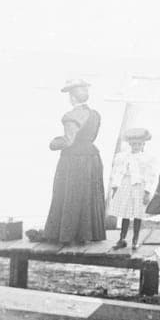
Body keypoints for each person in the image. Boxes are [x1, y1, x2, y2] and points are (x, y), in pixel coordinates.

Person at [42, 79, 106, 245]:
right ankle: (85, 234)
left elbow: (68, 141)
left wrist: (52, 143)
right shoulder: (95, 114)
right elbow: (91, 136)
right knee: (87, 194)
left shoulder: (70, 116)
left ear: (72, 97)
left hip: (74, 160)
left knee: (70, 194)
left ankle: (66, 234)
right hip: (92, 157)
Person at [107, 127, 158, 250]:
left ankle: (135, 239)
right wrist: (115, 188)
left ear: (143, 145)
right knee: (125, 212)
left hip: (139, 186)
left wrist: (147, 192)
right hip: (125, 184)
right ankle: (122, 238)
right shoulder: (123, 157)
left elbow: (150, 175)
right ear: (130, 144)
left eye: (139, 144)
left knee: (137, 213)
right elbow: (117, 172)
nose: (136, 146)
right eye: (134, 144)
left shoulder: (147, 158)